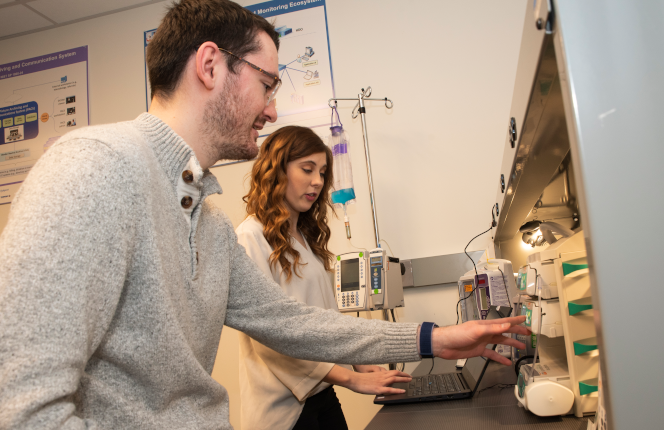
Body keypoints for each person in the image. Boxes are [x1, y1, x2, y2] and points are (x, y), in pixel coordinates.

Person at [0, 1, 531, 429]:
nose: (273, 109)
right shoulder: (93, 169)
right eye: (268, 83)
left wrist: (433, 338)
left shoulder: (208, 226)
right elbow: (21, 409)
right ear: (211, 66)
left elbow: (295, 325)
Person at [236, 126, 411, 430]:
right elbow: (271, 340)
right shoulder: (249, 238)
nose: (317, 181)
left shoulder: (304, 237)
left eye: (322, 172)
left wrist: (359, 360)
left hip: (321, 392)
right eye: (307, 169)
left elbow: (325, 319)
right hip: (283, 409)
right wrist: (350, 378)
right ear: (277, 170)